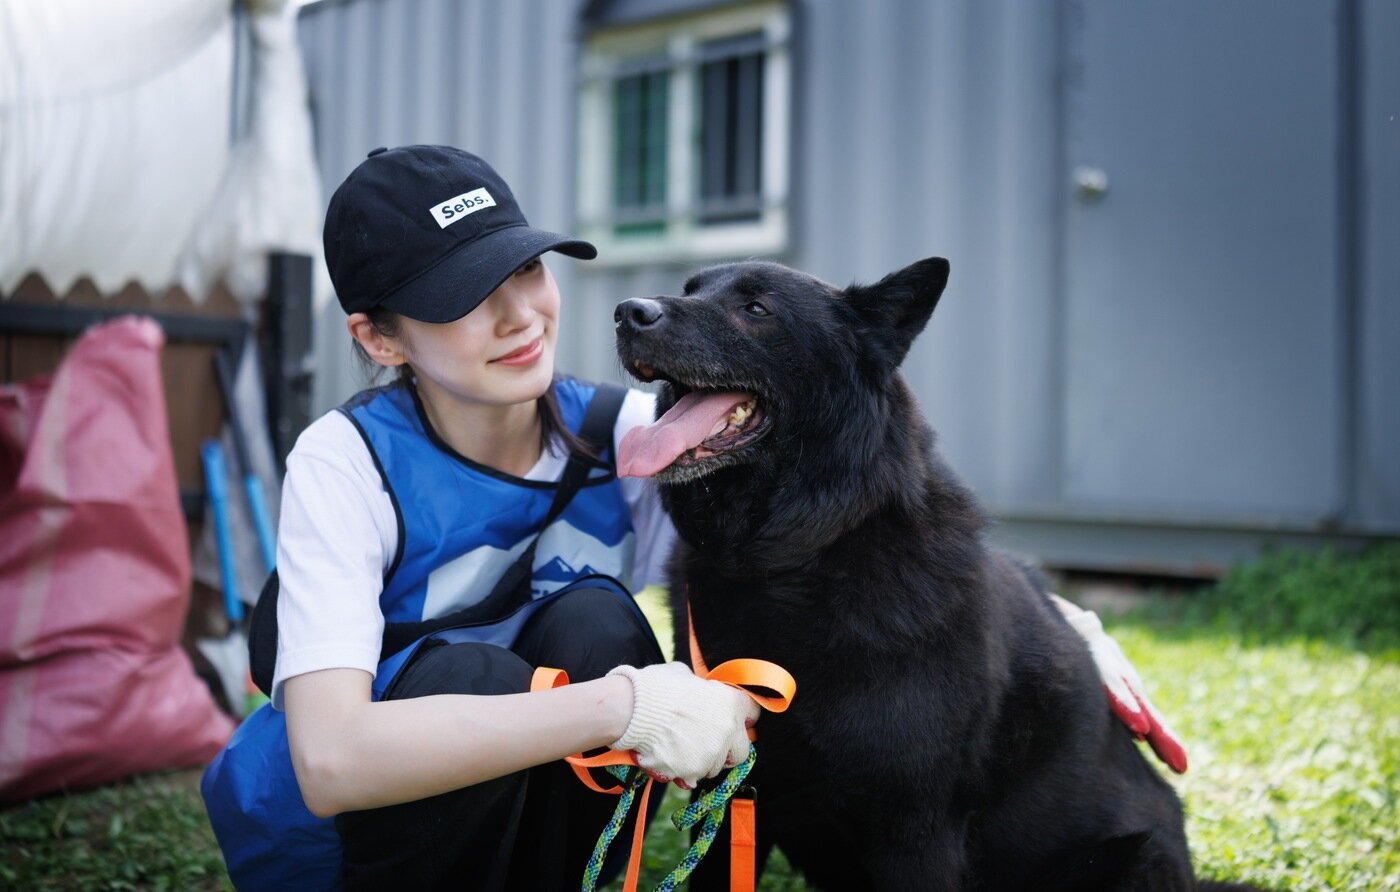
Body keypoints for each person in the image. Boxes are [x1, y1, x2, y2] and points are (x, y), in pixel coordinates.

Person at [202, 145, 1183, 892]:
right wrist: (622, 707)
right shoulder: (345, 461)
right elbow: (331, 761)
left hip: (496, 804)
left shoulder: (637, 442)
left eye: (526, 271)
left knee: (594, 621)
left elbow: (850, 486)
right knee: (494, 666)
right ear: (377, 337)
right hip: (334, 835)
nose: (519, 316)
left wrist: (1047, 628)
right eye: (466, 298)